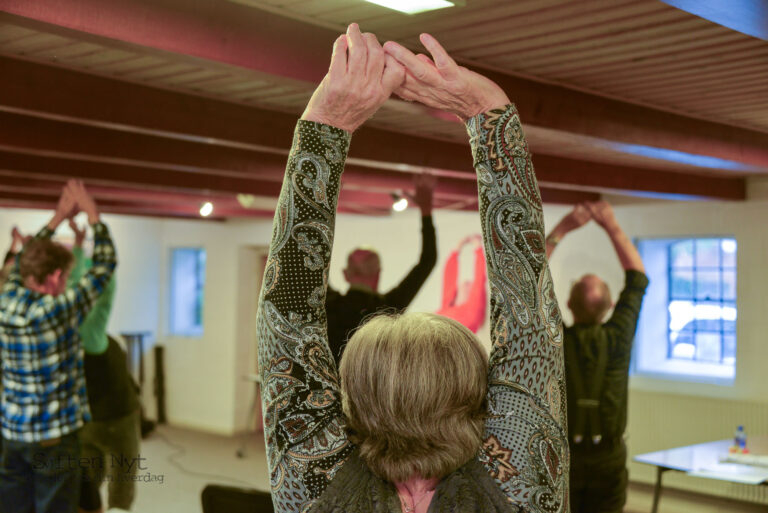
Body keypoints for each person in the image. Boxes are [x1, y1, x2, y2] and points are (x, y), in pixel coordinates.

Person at [256, 24, 568, 513]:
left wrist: (327, 122)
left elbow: (286, 317)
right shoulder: (516, 483)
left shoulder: (319, 485)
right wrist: (488, 114)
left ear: (353, 396)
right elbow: (529, 322)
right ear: (477, 392)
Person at [0, 180, 117, 513]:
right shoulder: (57, 309)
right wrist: (94, 215)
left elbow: (23, 258)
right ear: (53, 278)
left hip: (12, 436)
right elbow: (104, 266)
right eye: (65, 277)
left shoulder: (5, 299)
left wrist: (55, 220)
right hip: (52, 440)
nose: (66, 284)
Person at [547, 201, 648, 513]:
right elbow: (637, 278)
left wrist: (563, 228)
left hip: (565, 458)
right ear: (610, 307)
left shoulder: (554, 339)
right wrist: (610, 225)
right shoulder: (618, 337)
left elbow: (529, 281)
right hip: (608, 458)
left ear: (567, 303)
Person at [64, 221, 141, 513]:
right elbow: (106, 286)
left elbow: (74, 284)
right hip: (115, 421)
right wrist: (96, 227)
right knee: (121, 491)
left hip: (87, 420)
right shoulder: (90, 334)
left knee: (86, 489)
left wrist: (78, 244)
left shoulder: (61, 325)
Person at [325, 173, 437, 364]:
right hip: (371, 391)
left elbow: (308, 259)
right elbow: (427, 261)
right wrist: (426, 209)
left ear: (346, 274)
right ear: (378, 274)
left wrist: (326, 200)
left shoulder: (330, 305)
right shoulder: (388, 308)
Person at [436, 235, 486, 333]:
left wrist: (478, 248)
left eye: (470, 285)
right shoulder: (447, 305)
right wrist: (457, 248)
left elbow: (479, 277)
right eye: (466, 282)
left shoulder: (472, 312)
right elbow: (448, 277)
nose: (466, 282)